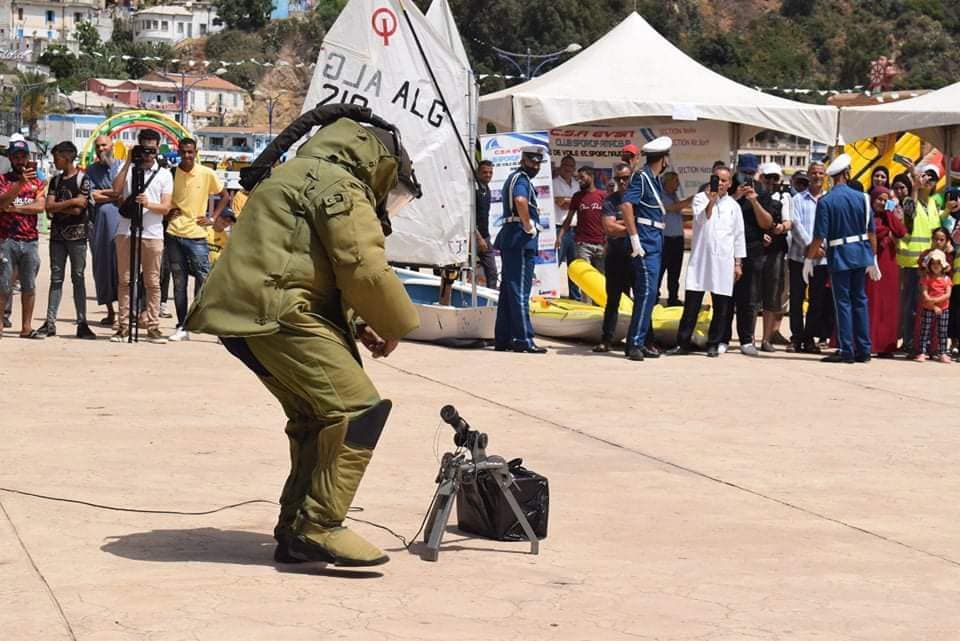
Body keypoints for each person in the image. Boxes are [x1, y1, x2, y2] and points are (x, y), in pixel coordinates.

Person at [184, 107, 422, 566]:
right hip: (280, 314)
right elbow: (361, 263)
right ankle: (319, 525)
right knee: (359, 412)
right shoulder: (340, 185)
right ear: (378, 164)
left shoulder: (295, 173)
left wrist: (356, 322)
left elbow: (300, 262)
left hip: (245, 315)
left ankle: (295, 528)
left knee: (318, 418)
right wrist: (394, 323)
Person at [804, 153, 879, 363]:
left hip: (839, 255)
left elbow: (819, 236)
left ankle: (847, 350)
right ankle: (864, 349)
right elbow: (871, 232)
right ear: (847, 173)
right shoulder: (863, 198)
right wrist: (873, 258)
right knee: (860, 301)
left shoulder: (826, 201)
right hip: (861, 254)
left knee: (843, 303)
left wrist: (809, 259)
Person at [665, 165, 744, 357]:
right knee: (692, 305)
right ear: (712, 179)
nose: (721, 184)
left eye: (725, 181)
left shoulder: (734, 206)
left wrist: (738, 263)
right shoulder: (701, 198)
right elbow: (702, 219)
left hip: (723, 261)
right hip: (701, 261)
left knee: (721, 306)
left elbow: (738, 236)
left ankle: (713, 344)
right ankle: (682, 343)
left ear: (730, 183)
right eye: (718, 179)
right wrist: (711, 200)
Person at [110, 130, 174, 344]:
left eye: (152, 149)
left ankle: (153, 326)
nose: (147, 154)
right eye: (143, 149)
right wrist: (129, 161)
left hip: (152, 233)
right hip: (127, 231)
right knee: (125, 280)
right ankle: (123, 326)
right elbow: (116, 191)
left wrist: (148, 204)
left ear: (158, 149)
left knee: (152, 282)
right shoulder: (128, 169)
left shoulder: (164, 174)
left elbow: (166, 207)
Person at [165, 137, 229, 341]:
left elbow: (224, 195)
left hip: (197, 235)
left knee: (205, 281)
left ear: (196, 152)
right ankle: (182, 326)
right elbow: (162, 197)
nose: (186, 155)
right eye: (183, 152)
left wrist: (212, 218)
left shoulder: (206, 173)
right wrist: (167, 212)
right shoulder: (171, 173)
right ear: (178, 151)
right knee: (179, 282)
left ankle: (211, 324)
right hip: (174, 233)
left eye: (190, 152)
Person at [35, 141, 95, 339]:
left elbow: (80, 209)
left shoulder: (83, 179)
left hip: (77, 237)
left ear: (67, 156)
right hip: (58, 237)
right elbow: (49, 207)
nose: (55, 161)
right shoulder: (55, 181)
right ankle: (50, 322)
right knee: (56, 278)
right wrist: (71, 202)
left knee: (78, 278)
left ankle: (82, 321)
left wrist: (61, 206)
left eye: (57, 157)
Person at [620, 136, 672, 361]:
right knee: (646, 293)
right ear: (663, 159)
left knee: (649, 294)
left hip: (655, 239)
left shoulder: (654, 179)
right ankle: (634, 344)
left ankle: (639, 341)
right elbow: (626, 205)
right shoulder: (641, 177)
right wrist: (634, 238)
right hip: (645, 240)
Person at [494, 146, 548, 353]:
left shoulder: (517, 178)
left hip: (513, 238)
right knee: (520, 291)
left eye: (537, 163)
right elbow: (520, 200)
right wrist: (527, 224)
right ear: (523, 160)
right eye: (532, 162)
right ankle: (523, 339)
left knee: (509, 291)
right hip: (520, 238)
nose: (535, 166)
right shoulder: (521, 179)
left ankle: (504, 338)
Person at [725, 153, 773, 356]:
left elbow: (767, 223)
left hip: (752, 249)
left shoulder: (761, 190)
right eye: (745, 173)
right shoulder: (728, 188)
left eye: (751, 173)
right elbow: (720, 214)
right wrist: (736, 197)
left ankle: (746, 339)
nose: (747, 177)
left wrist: (754, 201)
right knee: (725, 296)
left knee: (748, 298)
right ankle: (721, 338)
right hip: (727, 249)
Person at [0, 139, 46, 339]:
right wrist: (19, 184)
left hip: (30, 240)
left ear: (28, 158)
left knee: (29, 285)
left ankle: (26, 327)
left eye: (23, 157)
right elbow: (2, 204)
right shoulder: (3, 180)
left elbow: (40, 206)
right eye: (16, 157)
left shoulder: (38, 181)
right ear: (10, 159)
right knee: (3, 285)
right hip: (6, 239)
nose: (20, 161)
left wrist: (17, 208)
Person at [897, 163, 942, 354]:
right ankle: (908, 342)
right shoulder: (909, 200)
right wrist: (914, 187)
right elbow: (909, 215)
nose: (929, 181)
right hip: (911, 262)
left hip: (929, 263)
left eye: (932, 178)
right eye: (926, 177)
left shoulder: (933, 204)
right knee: (910, 305)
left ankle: (922, 343)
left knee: (926, 305)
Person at [788, 161, 830, 353]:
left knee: (817, 300)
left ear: (825, 176)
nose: (817, 176)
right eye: (814, 173)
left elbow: (833, 227)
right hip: (799, 257)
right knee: (796, 299)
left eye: (821, 173)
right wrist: (810, 246)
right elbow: (795, 224)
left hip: (822, 260)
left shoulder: (830, 200)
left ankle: (809, 338)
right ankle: (796, 337)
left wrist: (821, 247)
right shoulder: (797, 200)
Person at [594, 163, 632, 353]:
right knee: (613, 300)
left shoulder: (640, 199)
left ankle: (644, 340)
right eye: (619, 179)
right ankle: (606, 339)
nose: (623, 182)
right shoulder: (610, 201)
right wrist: (632, 227)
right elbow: (608, 228)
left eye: (626, 177)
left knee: (642, 299)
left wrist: (621, 225)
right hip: (616, 256)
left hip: (636, 256)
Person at [865, 186, 907, 356]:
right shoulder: (867, 215)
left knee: (888, 305)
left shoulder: (888, 216)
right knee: (872, 302)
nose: (881, 203)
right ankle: (869, 342)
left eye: (885, 200)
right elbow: (872, 232)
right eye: (879, 199)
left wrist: (889, 215)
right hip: (872, 263)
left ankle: (886, 345)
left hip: (889, 264)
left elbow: (901, 232)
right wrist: (886, 231)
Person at [87, 135, 122, 327]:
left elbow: (125, 193)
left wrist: (105, 193)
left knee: (123, 268)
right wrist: (113, 193)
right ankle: (110, 312)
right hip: (100, 224)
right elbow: (92, 195)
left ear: (112, 146)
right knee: (102, 268)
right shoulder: (91, 170)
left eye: (104, 145)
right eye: (98, 146)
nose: (101, 149)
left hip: (122, 223)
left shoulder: (123, 167)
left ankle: (127, 312)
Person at [756, 163, 791, 352]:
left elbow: (789, 221)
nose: (771, 182)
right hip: (756, 248)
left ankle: (766, 339)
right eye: (768, 177)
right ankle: (749, 338)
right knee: (752, 294)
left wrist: (781, 228)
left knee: (772, 294)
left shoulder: (784, 197)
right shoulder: (754, 196)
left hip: (776, 250)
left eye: (775, 178)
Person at [559, 166, 605, 288]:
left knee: (601, 280)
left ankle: (601, 307)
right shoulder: (577, 197)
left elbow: (609, 220)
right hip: (583, 245)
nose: (579, 180)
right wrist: (560, 237)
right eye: (578, 178)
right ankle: (587, 306)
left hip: (601, 244)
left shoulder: (603, 196)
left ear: (591, 176)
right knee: (586, 281)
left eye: (582, 177)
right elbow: (569, 218)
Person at [659, 171, 694, 307]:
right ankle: (654, 296)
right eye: (675, 181)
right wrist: (692, 199)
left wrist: (693, 218)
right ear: (667, 182)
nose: (678, 184)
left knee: (675, 271)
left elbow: (676, 214)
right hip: (665, 239)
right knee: (661, 269)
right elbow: (672, 208)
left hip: (677, 239)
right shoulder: (661, 195)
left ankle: (673, 298)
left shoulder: (673, 195)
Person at [914, 249, 952, 363]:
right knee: (925, 330)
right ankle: (922, 352)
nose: (936, 266)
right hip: (928, 308)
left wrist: (935, 301)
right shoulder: (927, 278)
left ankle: (943, 352)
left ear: (943, 265)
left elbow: (948, 294)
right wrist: (934, 305)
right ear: (929, 265)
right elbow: (925, 293)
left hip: (943, 309)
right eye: (933, 263)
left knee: (942, 331)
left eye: (938, 263)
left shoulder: (946, 279)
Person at [553, 154, 580, 299]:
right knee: (555, 264)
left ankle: (575, 298)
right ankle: (550, 295)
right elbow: (560, 203)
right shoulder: (554, 183)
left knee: (574, 267)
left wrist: (569, 202)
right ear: (561, 167)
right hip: (559, 230)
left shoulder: (577, 184)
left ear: (574, 168)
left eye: (571, 166)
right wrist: (574, 202)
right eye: (565, 165)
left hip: (575, 230)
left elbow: (573, 203)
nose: (568, 168)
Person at [474, 160, 497, 289]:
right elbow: (469, 217)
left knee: (492, 272)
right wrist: (478, 238)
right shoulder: (474, 190)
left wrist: (484, 238)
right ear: (478, 173)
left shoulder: (486, 189)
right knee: (466, 272)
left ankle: (492, 303)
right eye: (485, 172)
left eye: (490, 173)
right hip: (473, 237)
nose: (488, 175)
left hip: (485, 236)